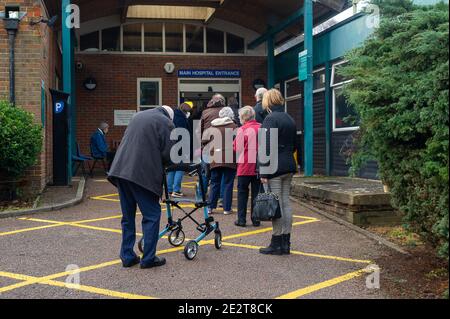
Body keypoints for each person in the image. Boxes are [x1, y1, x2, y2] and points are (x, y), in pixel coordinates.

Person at [108, 106, 174, 269]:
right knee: (152, 215)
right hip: (143, 175)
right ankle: (148, 258)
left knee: (127, 216)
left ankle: (127, 255)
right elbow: (170, 154)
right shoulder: (166, 123)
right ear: (169, 116)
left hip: (121, 171)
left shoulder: (138, 116)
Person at [258, 89, 297, 255]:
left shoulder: (270, 118)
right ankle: (286, 243)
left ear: (268, 102)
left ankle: (277, 243)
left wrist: (263, 171)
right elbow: (296, 144)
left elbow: (267, 147)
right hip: (289, 164)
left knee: (276, 204)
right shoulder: (289, 118)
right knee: (286, 203)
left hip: (274, 167)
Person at [203, 107, 237, 215]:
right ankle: (227, 208)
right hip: (229, 158)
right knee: (228, 183)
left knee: (214, 182)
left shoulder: (212, 126)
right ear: (230, 115)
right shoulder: (234, 126)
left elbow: (204, 140)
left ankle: (210, 207)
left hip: (215, 157)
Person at [233, 106, 261, 227]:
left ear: (244, 117)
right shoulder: (262, 128)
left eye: (240, 117)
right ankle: (256, 219)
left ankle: (241, 220)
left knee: (242, 193)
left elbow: (236, 148)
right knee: (256, 194)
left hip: (244, 166)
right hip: (259, 167)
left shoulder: (242, 130)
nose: (239, 119)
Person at [167, 101, 193, 197]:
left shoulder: (172, 116)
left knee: (172, 169)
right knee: (180, 169)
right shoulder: (182, 119)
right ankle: (176, 190)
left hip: (171, 146)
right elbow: (184, 135)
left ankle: (169, 189)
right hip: (181, 146)